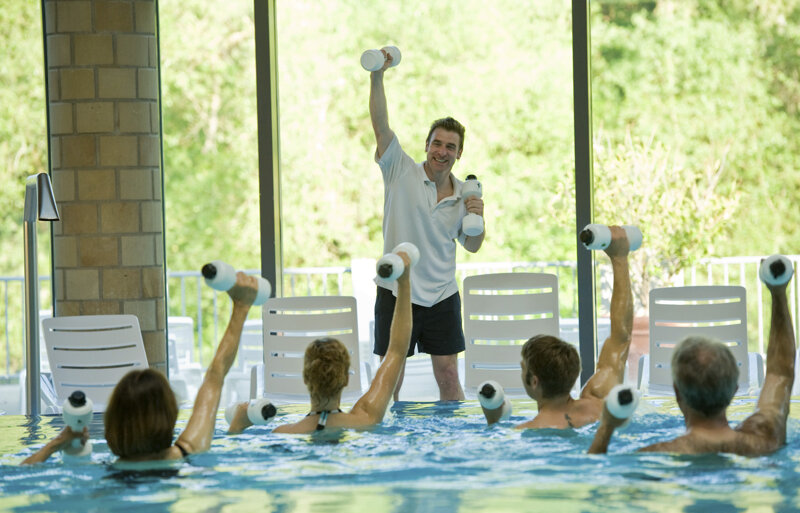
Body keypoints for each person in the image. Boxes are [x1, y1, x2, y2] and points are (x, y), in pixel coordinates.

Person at [22, 272, 261, 464]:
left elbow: (20, 477)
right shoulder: (191, 449)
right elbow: (215, 374)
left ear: (112, 424)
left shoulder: (100, 474)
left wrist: (56, 443)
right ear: (170, 417)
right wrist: (241, 307)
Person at [369, 48, 485, 402]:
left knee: (449, 374)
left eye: (451, 146)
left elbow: (473, 245)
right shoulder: (399, 170)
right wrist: (377, 76)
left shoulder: (466, 193)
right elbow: (380, 123)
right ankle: (385, 443)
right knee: (392, 374)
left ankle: (452, 450)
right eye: (437, 143)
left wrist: (481, 215)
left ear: (458, 154)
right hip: (396, 291)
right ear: (427, 146)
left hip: (441, 295)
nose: (442, 151)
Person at [589, 264, 796, 456]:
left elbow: (597, 474)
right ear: (734, 389)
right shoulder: (765, 438)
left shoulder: (659, 454)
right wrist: (778, 293)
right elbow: (781, 373)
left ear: (677, 392)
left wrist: (606, 428)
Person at [229, 252, 413, 434]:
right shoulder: (367, 418)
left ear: (306, 379)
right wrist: (404, 283)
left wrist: (237, 426)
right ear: (347, 379)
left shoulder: (285, 433)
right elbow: (397, 351)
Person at [495, 226, 633, 429]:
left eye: (522, 366)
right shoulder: (599, 403)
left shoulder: (524, 432)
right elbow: (621, 336)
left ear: (534, 381)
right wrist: (620, 258)